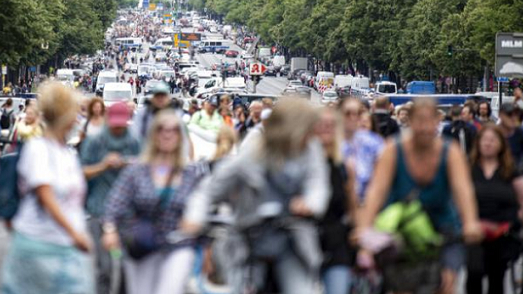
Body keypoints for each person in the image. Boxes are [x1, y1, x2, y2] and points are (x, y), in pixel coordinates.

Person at [182, 99, 330, 293]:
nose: (311, 136)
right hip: (249, 238)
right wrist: (194, 218)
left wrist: (310, 204)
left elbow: (318, 185)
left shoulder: (311, 150)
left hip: (291, 239)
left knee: (301, 289)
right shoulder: (253, 151)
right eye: (307, 130)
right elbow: (208, 191)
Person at [356, 98, 482, 294]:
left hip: (443, 230)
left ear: (437, 122)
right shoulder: (393, 150)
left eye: (429, 121)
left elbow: (463, 191)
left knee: (446, 284)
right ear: (410, 122)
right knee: (401, 286)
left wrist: (470, 222)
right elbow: (376, 191)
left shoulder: (450, 152)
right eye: (419, 121)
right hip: (403, 231)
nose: (424, 128)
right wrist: (365, 228)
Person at [0, 82, 94, 294]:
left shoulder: (66, 154)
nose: (77, 120)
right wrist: (76, 234)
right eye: (74, 114)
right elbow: (45, 195)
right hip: (38, 246)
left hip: (65, 248)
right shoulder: (38, 149)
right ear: (65, 116)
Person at [103, 110, 205, 294]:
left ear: (180, 136)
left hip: (178, 244)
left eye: (173, 130)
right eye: (161, 129)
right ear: (153, 135)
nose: (167, 134)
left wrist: (195, 222)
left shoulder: (191, 173)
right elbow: (114, 204)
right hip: (143, 243)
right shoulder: (137, 171)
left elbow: (202, 205)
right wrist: (110, 230)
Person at [466, 124, 523, 294]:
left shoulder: (510, 170)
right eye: (485, 140)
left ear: (501, 144)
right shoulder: (468, 168)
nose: (488, 144)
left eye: (492, 140)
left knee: (496, 278)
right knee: (474, 274)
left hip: (503, 232)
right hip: (475, 231)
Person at [80, 102, 141, 294]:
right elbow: (82, 172)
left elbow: (145, 172)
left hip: (126, 212)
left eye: (121, 124)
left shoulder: (134, 142)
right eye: (114, 123)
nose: (117, 127)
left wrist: (131, 165)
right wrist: (103, 165)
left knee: (125, 265)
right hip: (99, 209)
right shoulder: (95, 141)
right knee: (104, 267)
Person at [314, 107, 356, 294]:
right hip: (304, 242)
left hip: (337, 243)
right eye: (321, 124)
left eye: (331, 125)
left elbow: (353, 207)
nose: (326, 128)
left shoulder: (345, 167)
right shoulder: (299, 163)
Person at [339, 97, 384, 201]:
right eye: (348, 113)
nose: (353, 118)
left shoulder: (374, 143)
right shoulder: (331, 141)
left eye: (357, 114)